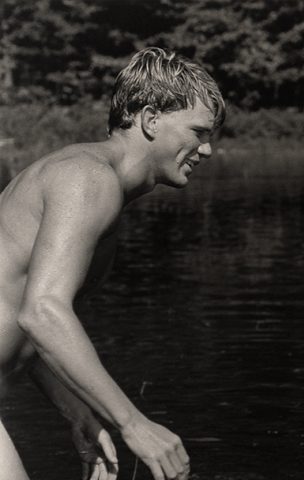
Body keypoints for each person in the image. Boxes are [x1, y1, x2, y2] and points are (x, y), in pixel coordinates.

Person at [0, 47, 225, 480]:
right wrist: (133, 424)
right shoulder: (88, 178)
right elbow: (43, 313)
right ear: (150, 118)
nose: (208, 149)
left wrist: (78, 409)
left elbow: (22, 326)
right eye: (198, 131)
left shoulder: (95, 186)